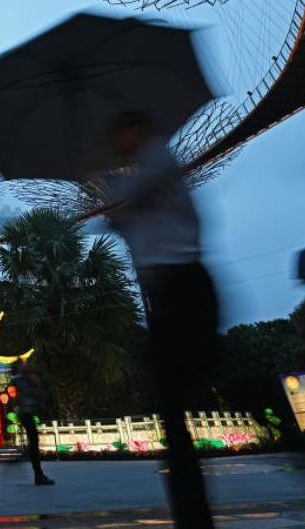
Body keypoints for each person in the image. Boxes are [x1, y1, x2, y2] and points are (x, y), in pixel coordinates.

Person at [103, 112, 215, 527]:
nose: (115, 141)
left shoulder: (158, 161)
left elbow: (135, 194)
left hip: (185, 287)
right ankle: (192, 512)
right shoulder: (147, 173)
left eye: (119, 131)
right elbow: (129, 218)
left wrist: (116, 198)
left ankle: (192, 515)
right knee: (172, 407)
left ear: (139, 130)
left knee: (177, 402)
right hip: (168, 291)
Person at [8, 359, 54, 485]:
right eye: (23, 364)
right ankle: (38, 474)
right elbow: (36, 386)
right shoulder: (20, 379)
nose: (25, 365)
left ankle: (34, 469)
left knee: (33, 441)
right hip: (26, 413)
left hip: (26, 413)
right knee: (33, 441)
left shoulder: (21, 379)